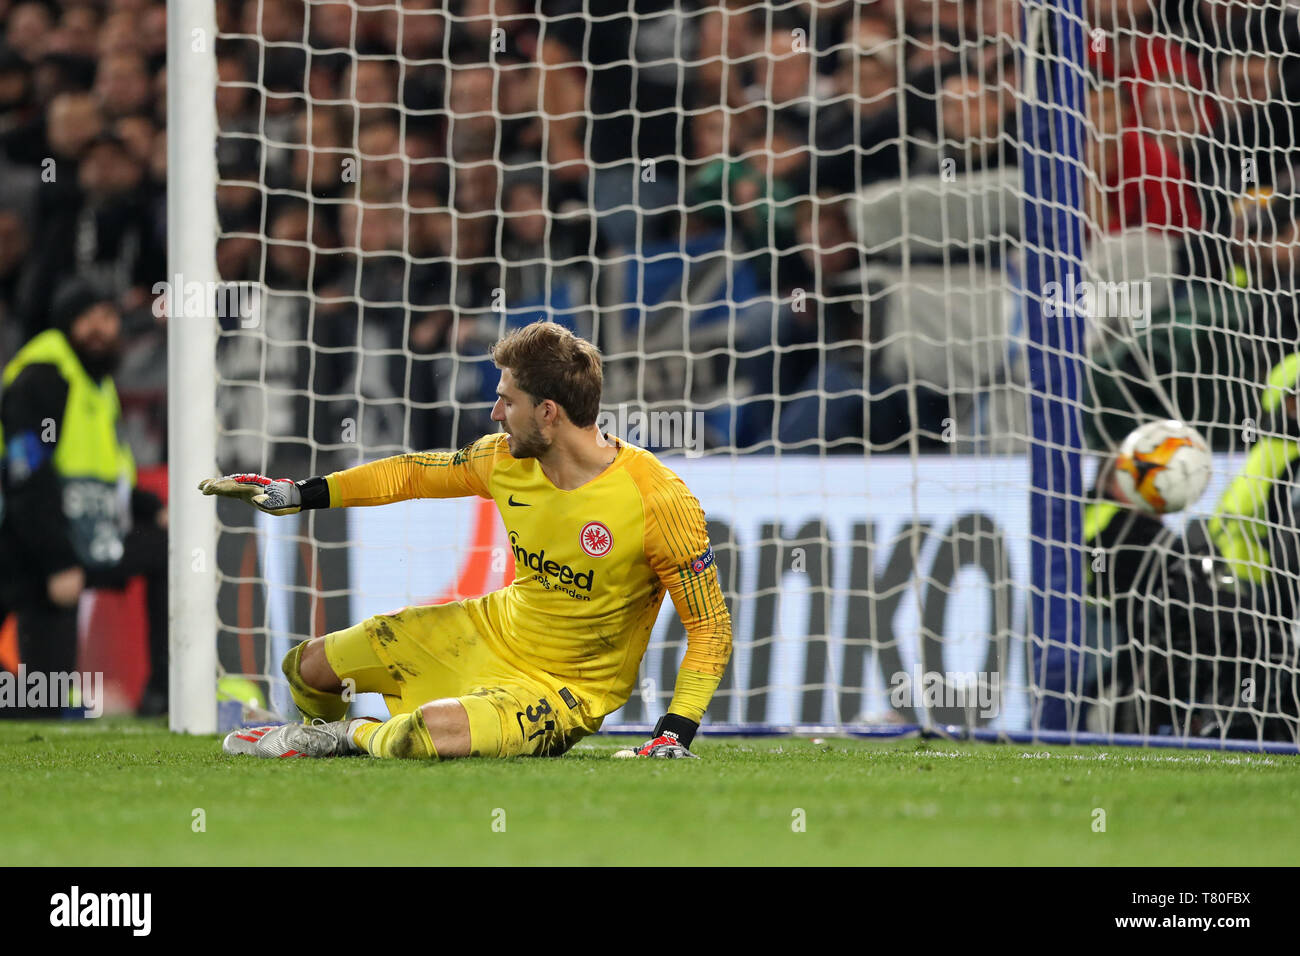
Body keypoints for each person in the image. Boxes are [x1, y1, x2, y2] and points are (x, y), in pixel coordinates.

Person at [203, 321, 733, 760]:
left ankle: (346, 737)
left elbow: (710, 627)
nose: (495, 414)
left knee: (426, 735)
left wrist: (673, 732)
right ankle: (314, 743)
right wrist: (297, 494)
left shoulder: (656, 498)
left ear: (548, 412)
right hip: (487, 631)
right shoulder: (504, 459)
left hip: (558, 690)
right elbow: (411, 475)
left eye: (506, 401)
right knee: (309, 667)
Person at [0, 280, 168, 716]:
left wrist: (154, 510)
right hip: (32, 549)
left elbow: (108, 478)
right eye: (87, 318)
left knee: (170, 547)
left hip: (92, 536)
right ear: (65, 325)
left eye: (109, 317)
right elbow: (26, 476)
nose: (101, 328)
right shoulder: (42, 378)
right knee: (43, 701)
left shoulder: (98, 385)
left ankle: (166, 691)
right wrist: (57, 562)